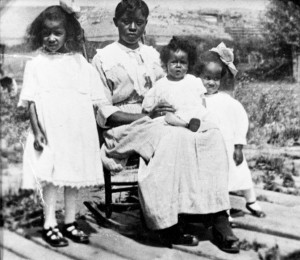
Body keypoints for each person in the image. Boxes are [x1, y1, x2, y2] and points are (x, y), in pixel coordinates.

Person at [93, 0, 239, 253]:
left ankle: (217, 214)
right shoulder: (103, 58)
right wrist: (146, 115)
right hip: (124, 123)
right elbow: (102, 111)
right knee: (174, 138)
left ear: (145, 25)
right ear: (115, 22)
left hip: (164, 118)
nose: (131, 27)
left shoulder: (152, 55)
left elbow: (171, 88)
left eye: (138, 23)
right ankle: (164, 223)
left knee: (211, 135)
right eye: (126, 22)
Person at [19, 4, 106, 247]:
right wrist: (37, 131)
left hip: (73, 131)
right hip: (48, 131)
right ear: (39, 34)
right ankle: (49, 223)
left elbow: (92, 98)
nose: (51, 38)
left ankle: (69, 221)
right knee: (51, 178)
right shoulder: (36, 65)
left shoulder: (78, 62)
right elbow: (32, 102)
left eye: (57, 33)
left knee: (72, 177)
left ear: (68, 33)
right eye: (46, 33)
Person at [194, 42, 266, 221]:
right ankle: (222, 210)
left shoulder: (227, 101)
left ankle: (251, 200)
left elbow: (241, 121)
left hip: (229, 146)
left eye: (215, 79)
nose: (211, 82)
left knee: (240, 172)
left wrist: (239, 146)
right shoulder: (195, 100)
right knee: (217, 180)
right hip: (210, 148)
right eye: (206, 78)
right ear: (198, 77)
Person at [142, 36, 211, 132]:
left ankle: (191, 125)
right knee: (167, 118)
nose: (178, 65)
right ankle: (186, 125)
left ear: (189, 64)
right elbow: (148, 106)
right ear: (166, 63)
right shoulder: (160, 84)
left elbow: (202, 102)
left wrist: (201, 114)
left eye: (183, 62)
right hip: (170, 120)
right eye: (174, 62)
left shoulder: (193, 81)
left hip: (192, 116)